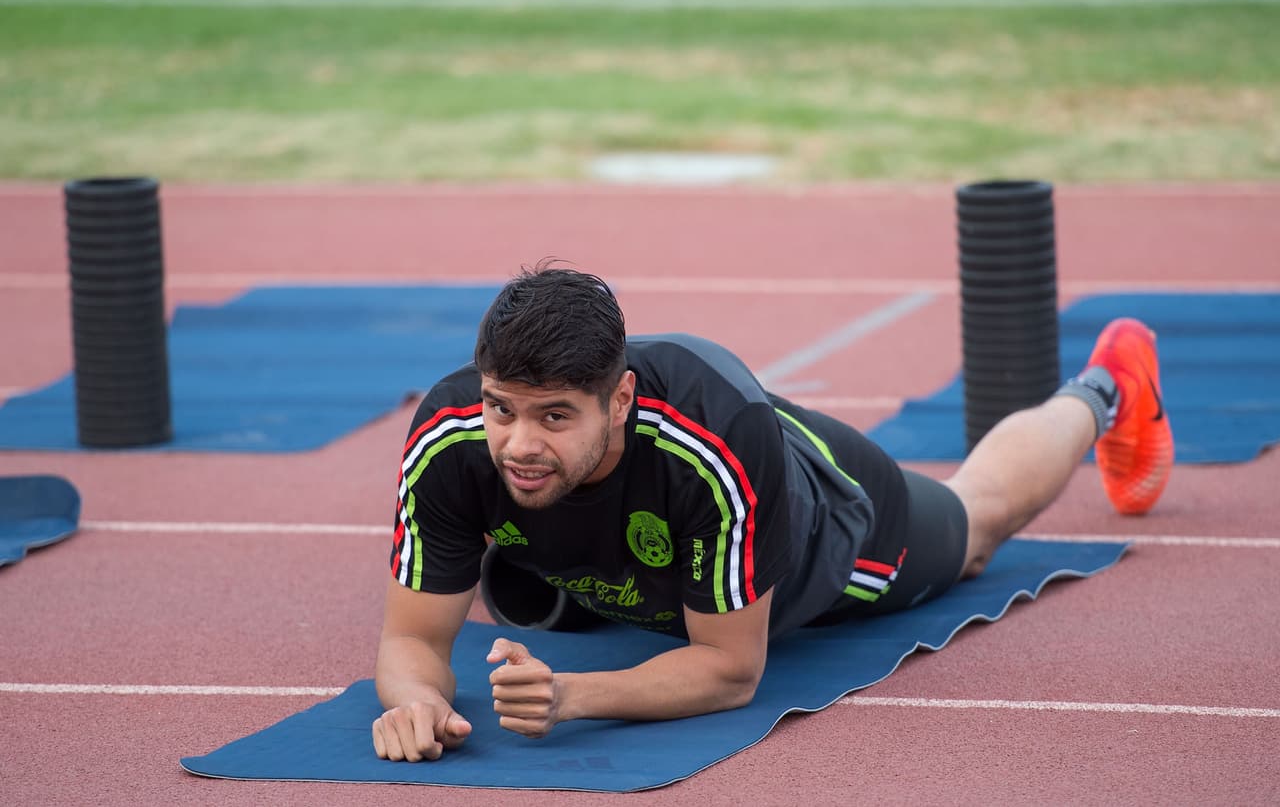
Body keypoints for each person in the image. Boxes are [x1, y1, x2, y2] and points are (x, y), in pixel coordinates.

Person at [371, 263, 1173, 762]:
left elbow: (729, 671)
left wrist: (573, 696)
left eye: (553, 416)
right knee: (525, 581)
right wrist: (415, 701)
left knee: (974, 524)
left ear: (619, 400)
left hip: (826, 523)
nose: (517, 442)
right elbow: (411, 640)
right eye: (501, 408)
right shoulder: (451, 435)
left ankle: (1106, 387)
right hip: (638, 551)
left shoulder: (717, 440)